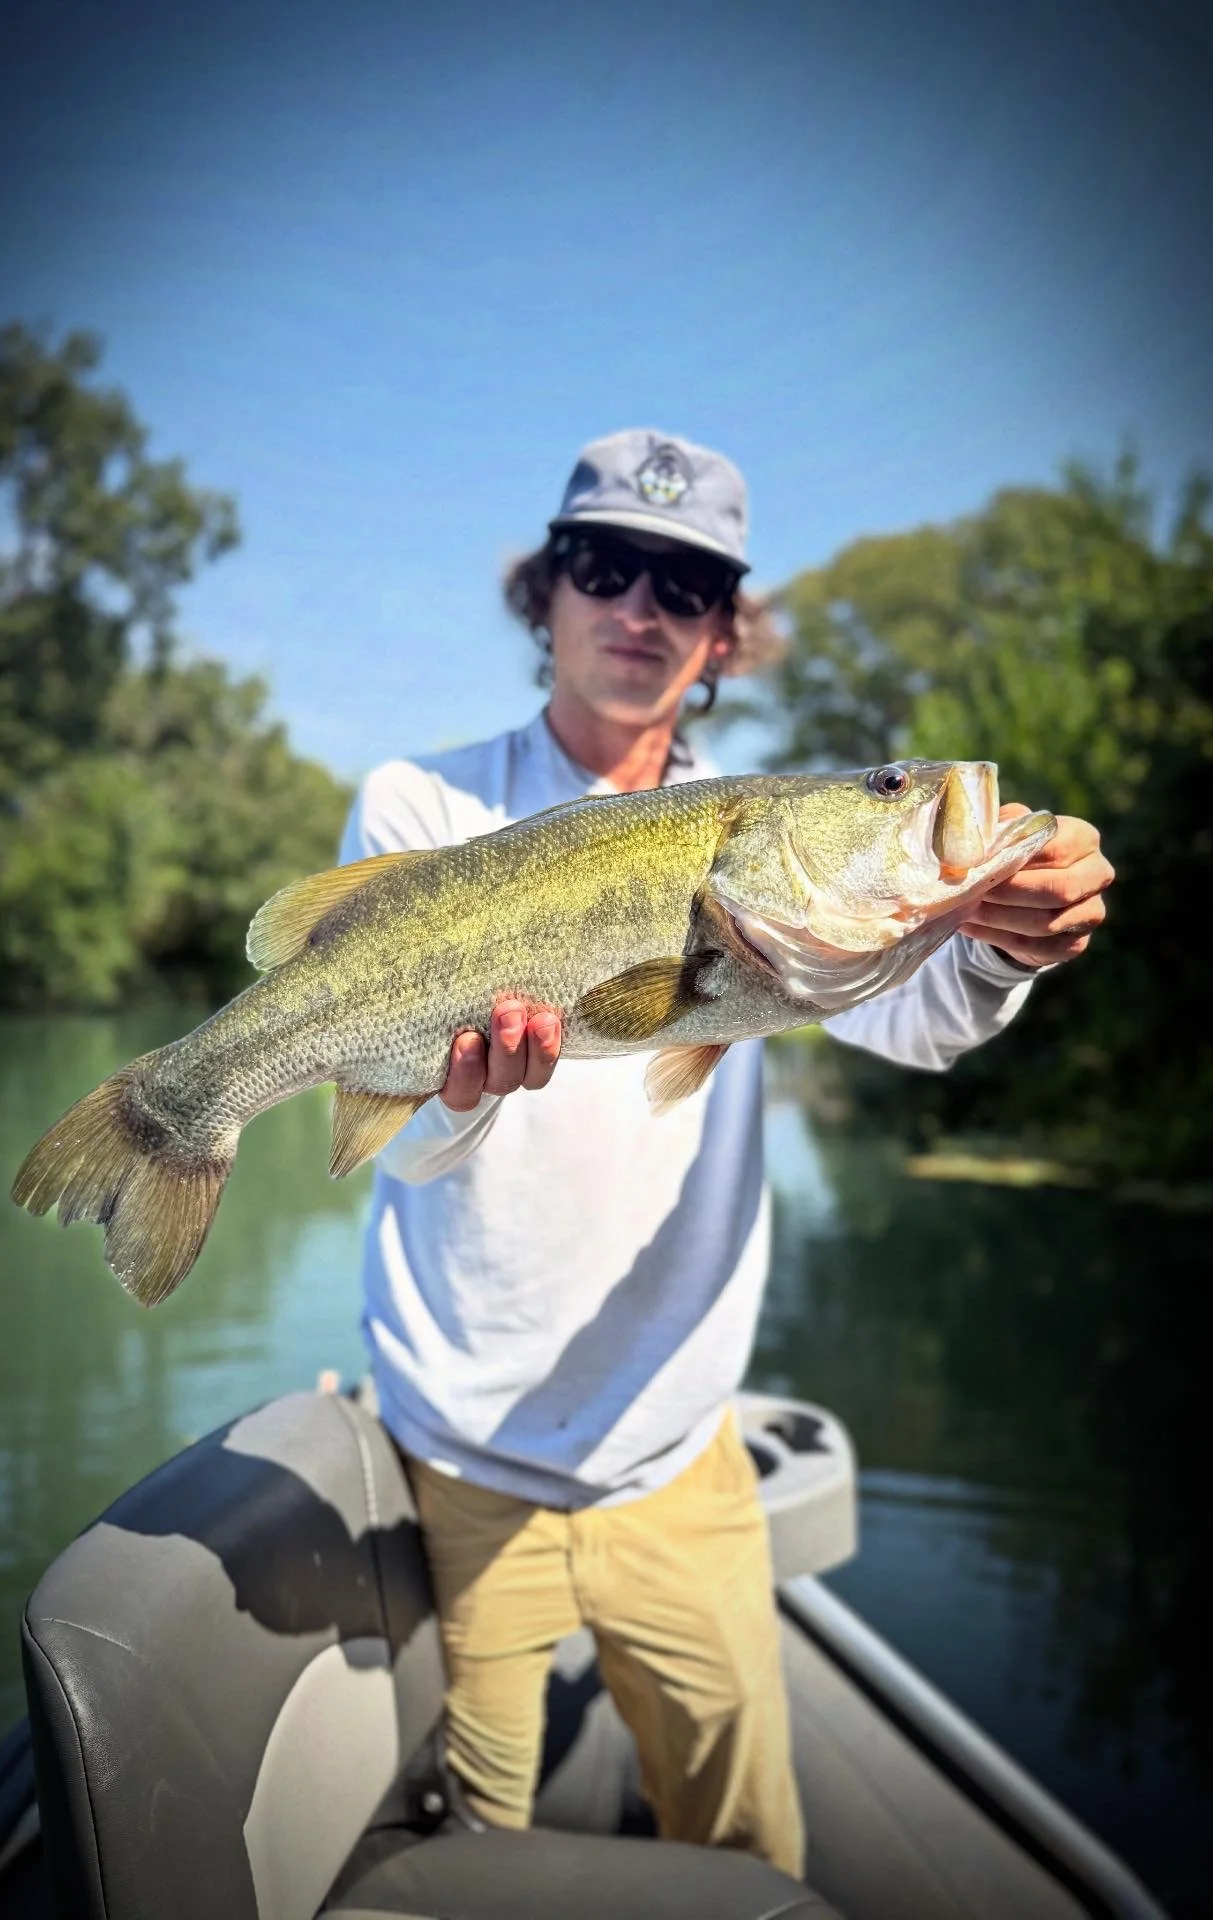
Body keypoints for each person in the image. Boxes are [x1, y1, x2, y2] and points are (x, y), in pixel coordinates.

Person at [337, 429, 1113, 1877]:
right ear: (545, 596)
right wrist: (459, 1095)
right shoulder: (420, 809)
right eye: (605, 565)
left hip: (677, 1450)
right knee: (483, 1861)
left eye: (686, 585)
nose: (642, 607)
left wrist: (1010, 945)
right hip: (467, 1447)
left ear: (721, 634)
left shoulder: (770, 851)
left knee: (754, 1851)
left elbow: (920, 1016)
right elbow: (405, 1158)